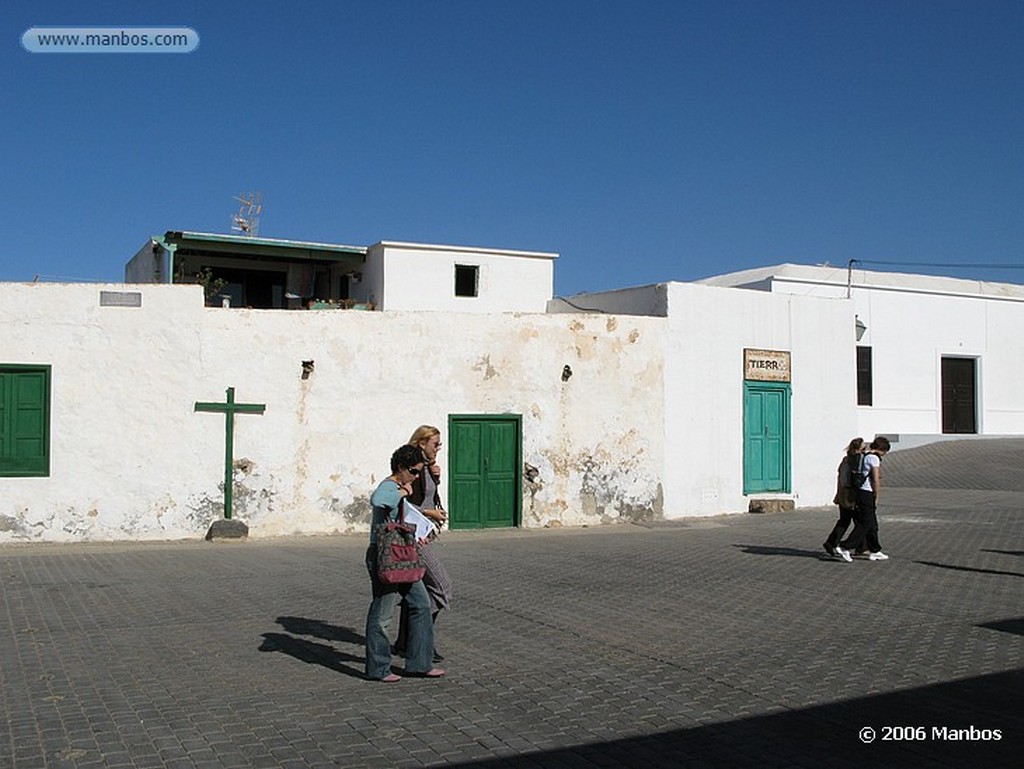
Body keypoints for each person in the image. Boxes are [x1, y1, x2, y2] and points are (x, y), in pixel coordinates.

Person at [363, 444, 445, 681]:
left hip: (404, 555)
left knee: (420, 604)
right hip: (385, 555)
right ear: (400, 467)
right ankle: (378, 668)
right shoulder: (389, 486)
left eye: (419, 472)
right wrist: (402, 492)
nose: (416, 476)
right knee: (382, 613)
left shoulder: (401, 486)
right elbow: (378, 500)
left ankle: (420, 663)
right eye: (413, 471)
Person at [394, 425, 453, 663]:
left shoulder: (427, 469)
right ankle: (418, 639)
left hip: (424, 534)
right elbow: (403, 506)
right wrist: (431, 514)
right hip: (415, 537)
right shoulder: (413, 470)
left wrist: (435, 478)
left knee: (418, 591)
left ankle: (406, 642)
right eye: (435, 444)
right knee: (442, 587)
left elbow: (425, 496)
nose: (438, 448)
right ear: (422, 444)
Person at [836, 436, 891, 562]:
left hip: (858, 492)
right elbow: (876, 479)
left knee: (872, 523)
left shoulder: (863, 456)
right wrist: (876, 494)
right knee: (865, 523)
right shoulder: (874, 459)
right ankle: (845, 546)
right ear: (881, 449)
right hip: (867, 493)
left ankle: (875, 550)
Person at [823, 437, 864, 560]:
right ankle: (858, 546)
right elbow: (848, 479)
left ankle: (832, 542)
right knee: (860, 522)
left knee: (845, 520)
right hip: (849, 495)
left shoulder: (846, 460)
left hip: (843, 493)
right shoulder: (854, 461)